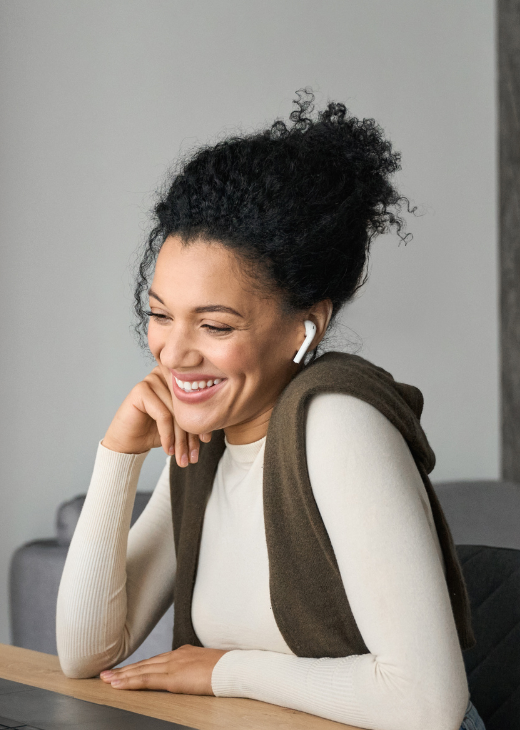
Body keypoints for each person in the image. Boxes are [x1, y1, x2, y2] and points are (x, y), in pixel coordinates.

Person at [54, 93, 484, 730]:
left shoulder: (337, 421)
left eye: (216, 325)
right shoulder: (208, 437)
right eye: (160, 315)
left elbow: (426, 705)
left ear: (306, 328)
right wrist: (117, 454)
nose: (175, 353)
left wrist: (222, 670)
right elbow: (85, 653)